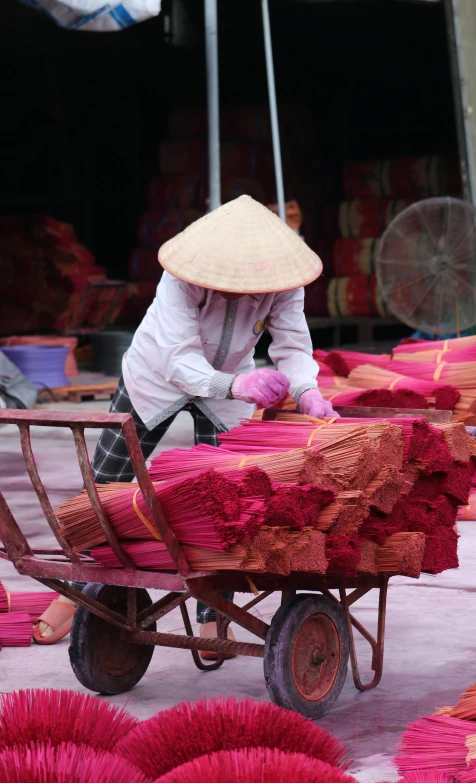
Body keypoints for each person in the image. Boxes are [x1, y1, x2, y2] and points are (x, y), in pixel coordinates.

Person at [34, 195, 337, 651]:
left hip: (233, 386)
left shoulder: (284, 284)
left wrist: (307, 391)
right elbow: (179, 361)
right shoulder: (180, 278)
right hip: (156, 378)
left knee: (225, 501)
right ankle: (79, 589)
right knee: (104, 486)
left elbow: (293, 346)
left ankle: (214, 613)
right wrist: (240, 386)